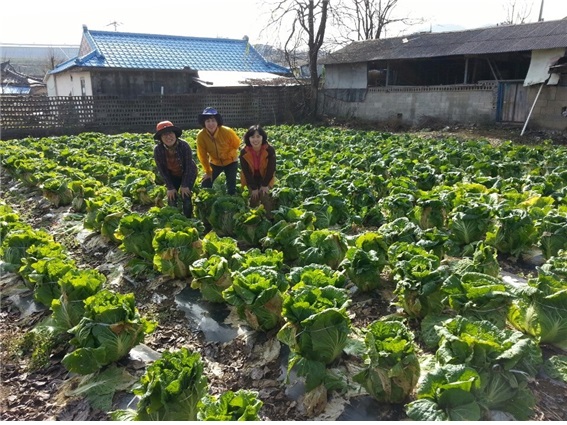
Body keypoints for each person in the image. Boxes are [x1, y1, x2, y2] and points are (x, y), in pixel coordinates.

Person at [153, 120, 197, 218]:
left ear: (175, 134)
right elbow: (162, 170)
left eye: (170, 133)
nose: (168, 137)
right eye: (164, 135)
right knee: (171, 198)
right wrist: (170, 187)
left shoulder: (184, 146)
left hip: (189, 172)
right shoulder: (158, 150)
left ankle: (188, 218)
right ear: (160, 138)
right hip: (172, 174)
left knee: (185, 196)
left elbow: (188, 166)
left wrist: (185, 185)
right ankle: (173, 217)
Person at [196, 107, 241, 195]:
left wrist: (228, 155)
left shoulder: (227, 131)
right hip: (215, 162)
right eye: (207, 121)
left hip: (231, 161)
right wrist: (208, 171)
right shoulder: (201, 136)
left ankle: (232, 203)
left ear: (217, 122)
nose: (211, 124)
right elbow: (202, 155)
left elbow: (236, 144)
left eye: (213, 121)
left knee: (231, 187)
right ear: (204, 123)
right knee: (206, 184)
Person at [239, 125, 276, 213]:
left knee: (264, 196)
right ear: (248, 138)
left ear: (263, 137)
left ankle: (269, 217)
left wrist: (265, 185)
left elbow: (271, 169)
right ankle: (253, 216)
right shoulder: (244, 152)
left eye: (258, 136)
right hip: (251, 178)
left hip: (266, 177)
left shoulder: (270, 150)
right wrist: (254, 187)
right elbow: (246, 171)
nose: (255, 140)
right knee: (254, 197)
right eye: (252, 137)